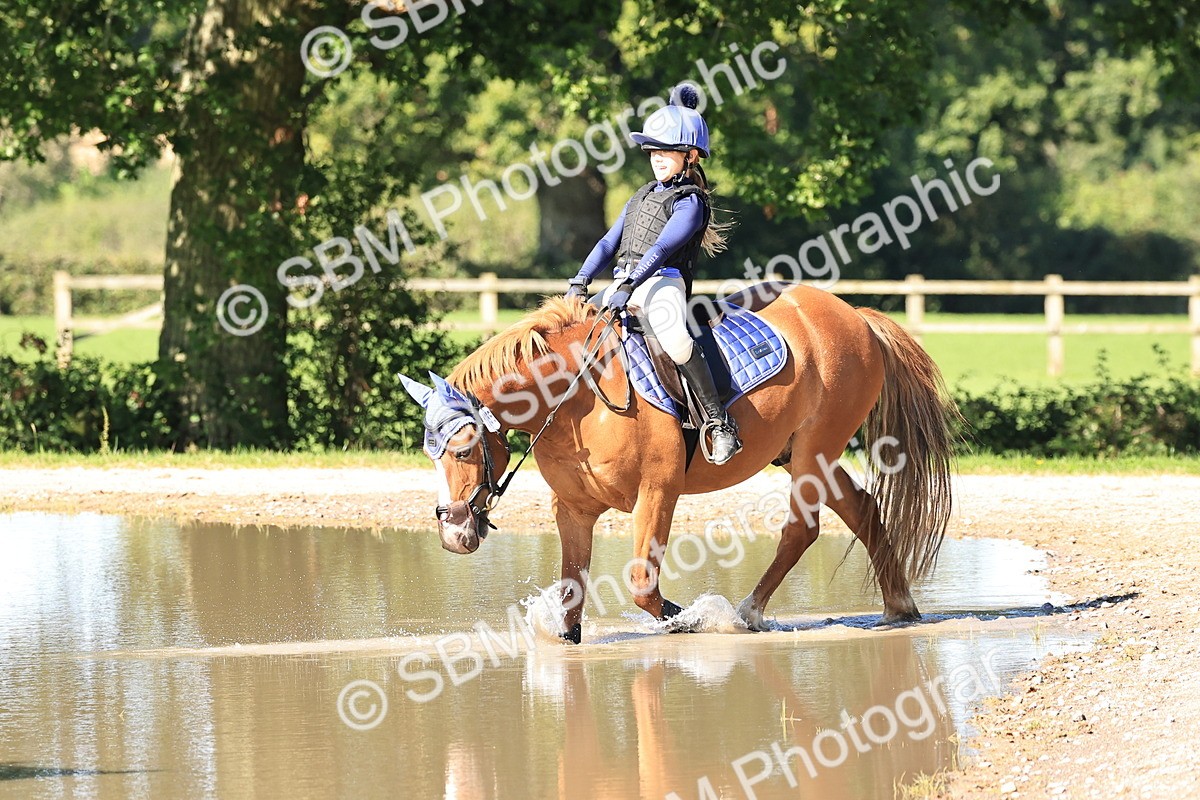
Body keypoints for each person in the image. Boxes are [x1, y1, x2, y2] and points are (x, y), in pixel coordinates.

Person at [565, 83, 741, 465]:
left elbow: (661, 251)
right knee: (576, 335)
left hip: (663, 283)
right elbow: (607, 243)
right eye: (654, 151)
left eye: (668, 151)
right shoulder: (641, 195)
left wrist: (629, 284)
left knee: (676, 339)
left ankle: (719, 422)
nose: (658, 158)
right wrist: (579, 281)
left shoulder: (691, 202)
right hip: (623, 283)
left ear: (691, 156)